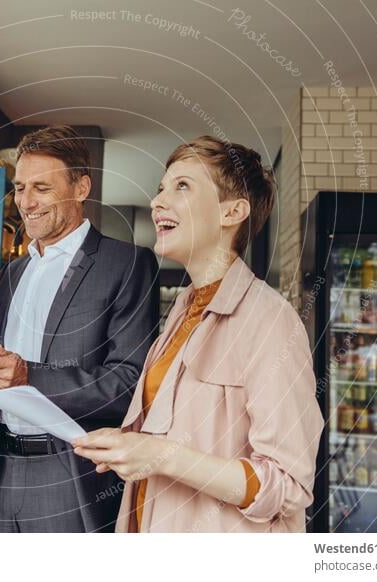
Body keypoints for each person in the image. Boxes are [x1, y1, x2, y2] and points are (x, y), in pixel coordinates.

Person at [73, 135, 324, 532]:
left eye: (182, 186)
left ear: (232, 212)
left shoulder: (269, 320)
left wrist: (160, 455)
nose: (157, 202)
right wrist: (126, 444)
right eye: (161, 189)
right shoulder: (182, 313)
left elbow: (287, 485)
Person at [0, 125, 158, 532]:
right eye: (20, 187)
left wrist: (29, 376)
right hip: (1, 472)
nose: (25, 202)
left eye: (41, 189)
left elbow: (130, 383)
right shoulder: (12, 273)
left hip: (73, 477)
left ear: (81, 187)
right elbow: (2, 368)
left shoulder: (127, 263)